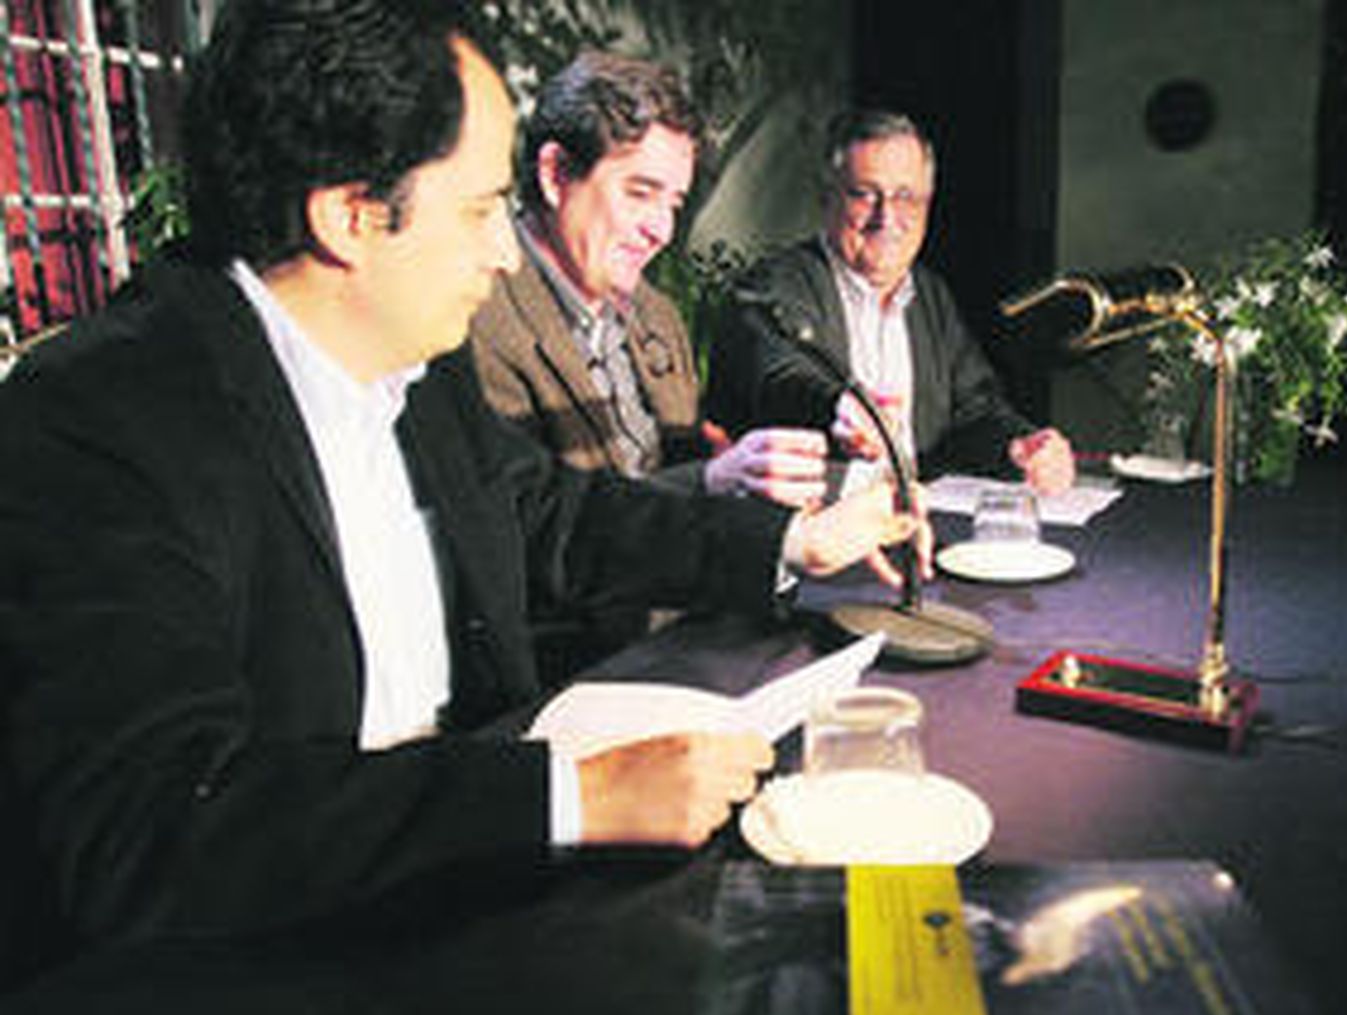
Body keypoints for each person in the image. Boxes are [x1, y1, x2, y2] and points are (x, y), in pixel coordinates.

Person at [0, 0, 923, 946]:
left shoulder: (413, 358)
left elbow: (543, 514)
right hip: (277, 964)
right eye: (482, 209)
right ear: (350, 217)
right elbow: (156, 828)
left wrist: (789, 540)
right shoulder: (102, 418)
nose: (500, 248)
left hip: (465, 880)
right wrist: (572, 793)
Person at [468, 52, 828, 680]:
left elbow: (689, 467)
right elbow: (531, 540)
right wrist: (710, 482)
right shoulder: (476, 320)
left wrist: (754, 477)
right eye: (640, 193)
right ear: (555, 174)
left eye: (676, 202)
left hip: (690, 629)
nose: (661, 228)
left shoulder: (655, 314)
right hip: (574, 668)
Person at [708, 109, 1077, 493]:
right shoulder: (772, 286)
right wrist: (840, 409)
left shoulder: (930, 296)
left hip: (910, 526)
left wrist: (1018, 447)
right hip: (803, 534)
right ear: (827, 197)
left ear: (928, 203)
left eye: (906, 197)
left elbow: (974, 411)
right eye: (865, 194)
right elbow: (780, 378)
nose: (887, 217)